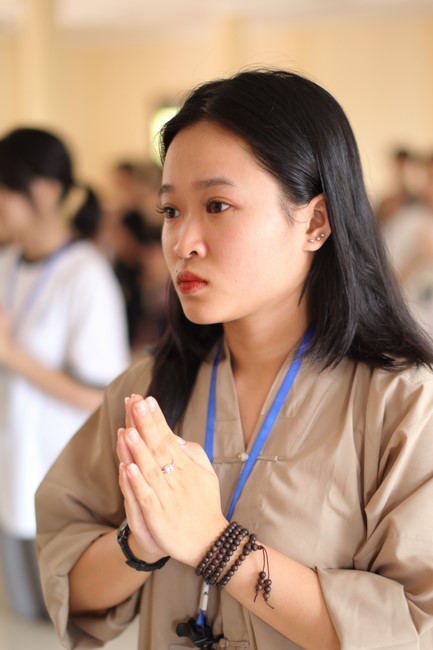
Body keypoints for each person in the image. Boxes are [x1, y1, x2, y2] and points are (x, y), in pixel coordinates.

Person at [35, 70, 433, 649]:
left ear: (315, 222)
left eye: (217, 205)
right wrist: (140, 544)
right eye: (171, 211)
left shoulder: (404, 404)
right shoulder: (146, 391)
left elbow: (414, 625)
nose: (182, 242)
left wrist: (214, 545)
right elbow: (67, 577)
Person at [0, 127, 130, 619]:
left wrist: (14, 356)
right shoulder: (7, 262)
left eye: (6, 187)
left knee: (57, 621)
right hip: (12, 465)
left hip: (57, 478)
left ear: (47, 191)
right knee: (24, 614)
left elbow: (103, 396)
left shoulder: (85, 275)